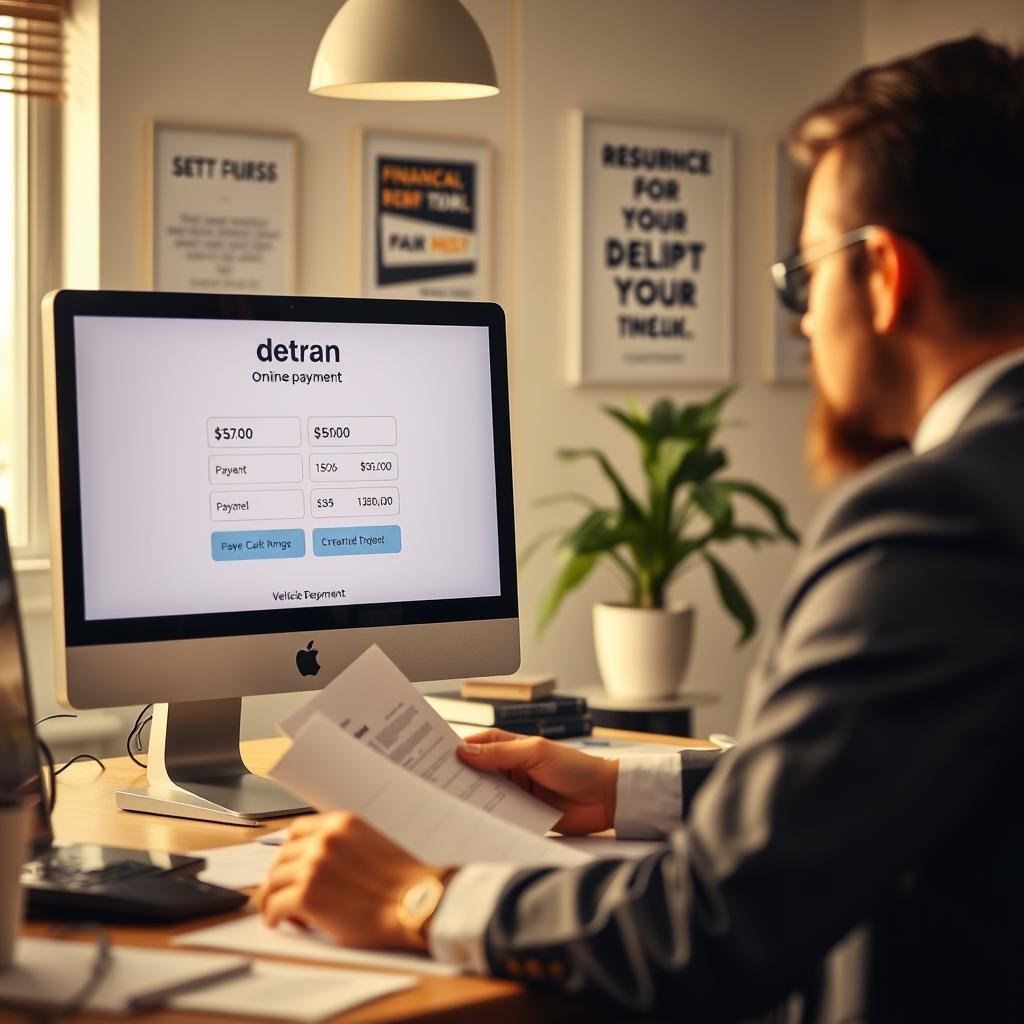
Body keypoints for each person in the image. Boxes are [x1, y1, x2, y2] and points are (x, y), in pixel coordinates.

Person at [257, 36, 1024, 1022]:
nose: (799, 322)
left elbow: (712, 926)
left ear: (880, 274)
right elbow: (897, 771)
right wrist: (631, 787)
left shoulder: (939, 517)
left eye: (800, 279)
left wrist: (415, 896)